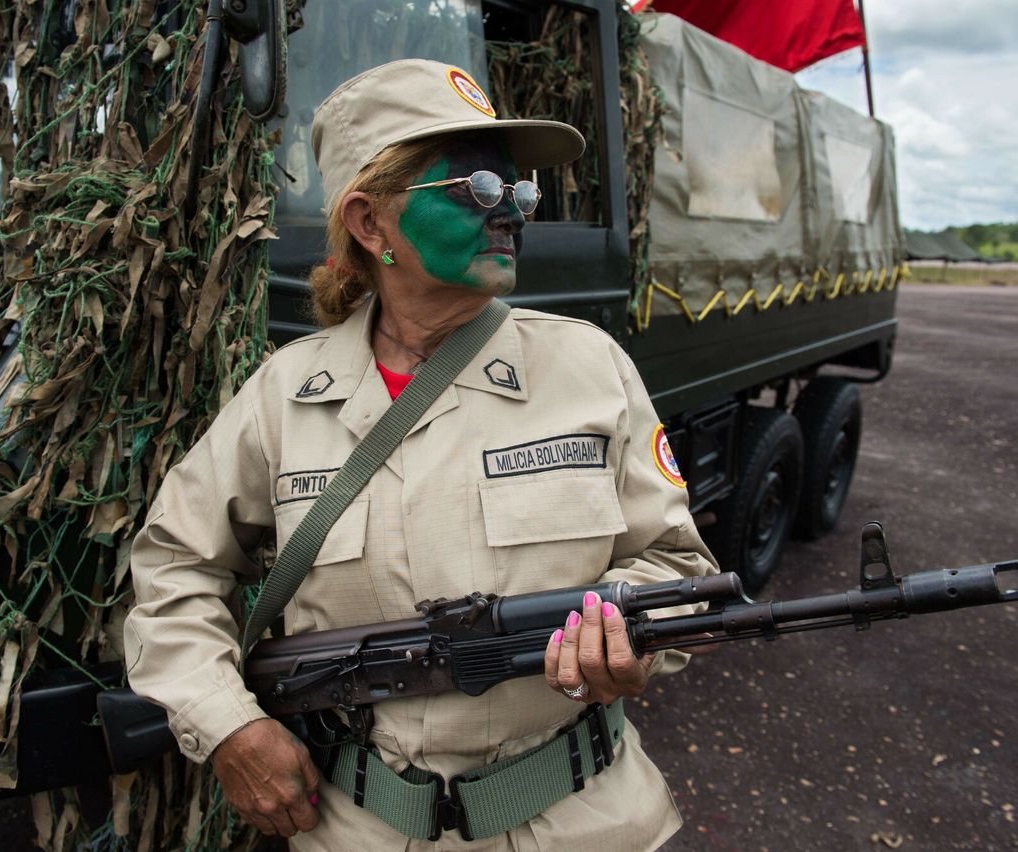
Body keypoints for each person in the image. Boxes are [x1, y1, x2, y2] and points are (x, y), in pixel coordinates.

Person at [124, 58, 718, 850]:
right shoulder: (285, 395)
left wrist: (631, 633)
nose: (509, 213)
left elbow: (678, 567)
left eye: (521, 192)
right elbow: (174, 567)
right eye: (476, 189)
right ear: (371, 224)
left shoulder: (589, 367)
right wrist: (228, 727)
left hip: (585, 823)